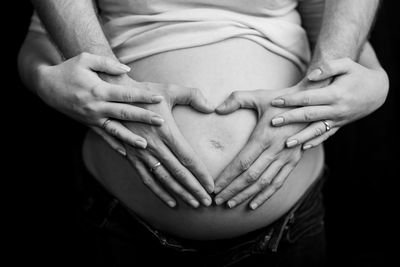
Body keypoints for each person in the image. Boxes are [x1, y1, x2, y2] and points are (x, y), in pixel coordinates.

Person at [18, 0, 388, 265]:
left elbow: (345, 51)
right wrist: (42, 80)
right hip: (123, 220)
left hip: (286, 226)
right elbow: (42, 43)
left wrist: (377, 85)